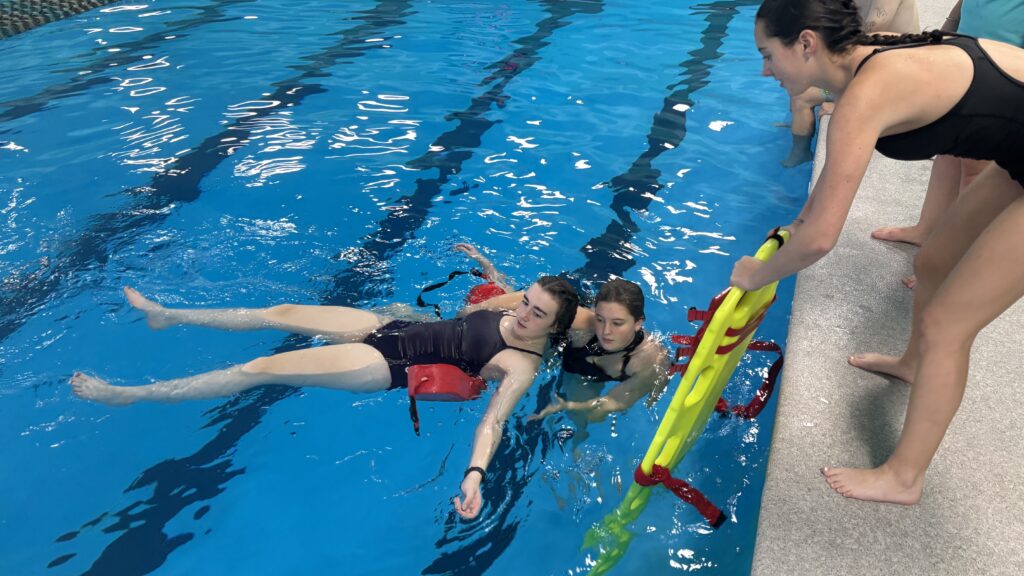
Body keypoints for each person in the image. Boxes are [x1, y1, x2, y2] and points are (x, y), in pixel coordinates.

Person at [733, 0, 1024, 504]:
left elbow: (822, 240)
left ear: (806, 43)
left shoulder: (865, 96)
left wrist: (758, 275)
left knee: (948, 326)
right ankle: (913, 364)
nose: (764, 70)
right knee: (933, 262)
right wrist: (798, 222)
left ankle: (904, 478)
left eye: (767, 54)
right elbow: (829, 188)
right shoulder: (865, 58)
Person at [70, 277, 580, 520]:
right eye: (526, 301)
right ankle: (168, 314)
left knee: (259, 369)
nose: (522, 314)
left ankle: (128, 396)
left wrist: (474, 476)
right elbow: (463, 318)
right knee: (279, 311)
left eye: (536, 314)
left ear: (553, 328)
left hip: (384, 365)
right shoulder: (514, 305)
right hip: (390, 327)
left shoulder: (521, 364)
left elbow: (492, 422)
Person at [871, 0, 1024, 288]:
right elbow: (961, 10)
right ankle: (928, 228)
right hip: (967, 68)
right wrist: (941, 41)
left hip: (1000, 84)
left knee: (976, 176)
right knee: (948, 154)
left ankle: (953, 260)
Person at [464, 279, 671, 428]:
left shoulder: (649, 359)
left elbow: (613, 403)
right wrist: (471, 312)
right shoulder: (586, 321)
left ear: (638, 323)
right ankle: (496, 278)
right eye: (600, 319)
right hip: (562, 347)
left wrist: (566, 406)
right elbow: (523, 300)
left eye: (617, 323)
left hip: (587, 374)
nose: (605, 331)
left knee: (590, 418)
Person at [781, 0, 920, 167]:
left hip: (897, 78)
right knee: (802, 78)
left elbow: (870, 31)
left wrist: (843, 99)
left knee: (802, 96)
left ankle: (800, 152)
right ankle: (798, 126)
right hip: (881, 68)